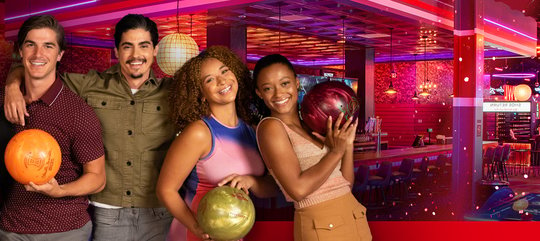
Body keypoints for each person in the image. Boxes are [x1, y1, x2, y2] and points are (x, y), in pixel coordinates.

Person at [4, 14, 175, 240]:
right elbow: (39, 69)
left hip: (157, 211)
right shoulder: (90, 85)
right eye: (127, 46)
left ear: (155, 50)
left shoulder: (174, 92)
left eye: (144, 46)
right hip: (107, 212)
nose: (136, 55)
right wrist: (12, 86)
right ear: (116, 51)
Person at [0, 15, 105, 240]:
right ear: (20, 51)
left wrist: (60, 191)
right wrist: (11, 86)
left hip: (64, 230)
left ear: (59, 54)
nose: (38, 54)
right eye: (31, 45)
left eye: (48, 46)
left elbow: (97, 178)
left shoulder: (78, 112)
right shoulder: (3, 101)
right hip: (9, 228)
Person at [156, 46, 277, 241]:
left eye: (224, 71)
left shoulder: (253, 130)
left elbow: (272, 188)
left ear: (235, 74)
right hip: (196, 234)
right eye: (209, 80)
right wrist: (197, 228)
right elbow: (165, 190)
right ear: (201, 93)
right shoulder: (199, 133)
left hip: (233, 235)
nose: (222, 81)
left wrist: (251, 181)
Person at [252, 54, 372, 241]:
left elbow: (345, 183)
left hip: (354, 217)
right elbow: (298, 190)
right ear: (259, 93)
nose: (278, 94)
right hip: (321, 226)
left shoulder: (313, 125)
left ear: (297, 83)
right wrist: (335, 152)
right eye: (268, 88)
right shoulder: (271, 128)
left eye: (285, 83)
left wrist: (347, 146)